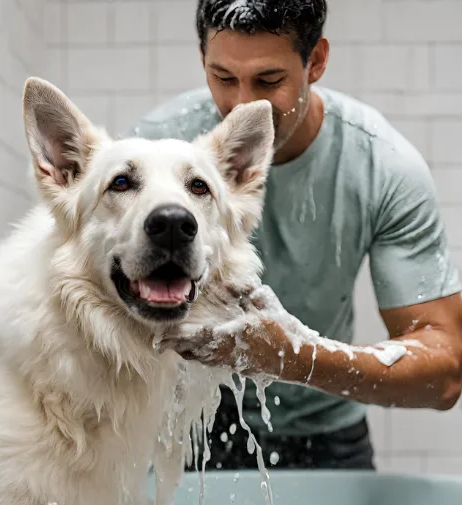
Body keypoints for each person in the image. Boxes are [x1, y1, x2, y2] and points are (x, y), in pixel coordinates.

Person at [132, 0, 462, 471]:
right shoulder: (157, 147)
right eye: (222, 77)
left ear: (317, 61)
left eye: (269, 82)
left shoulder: (382, 167)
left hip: (326, 430)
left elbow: (446, 369)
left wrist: (294, 358)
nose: (241, 107)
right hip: (187, 424)